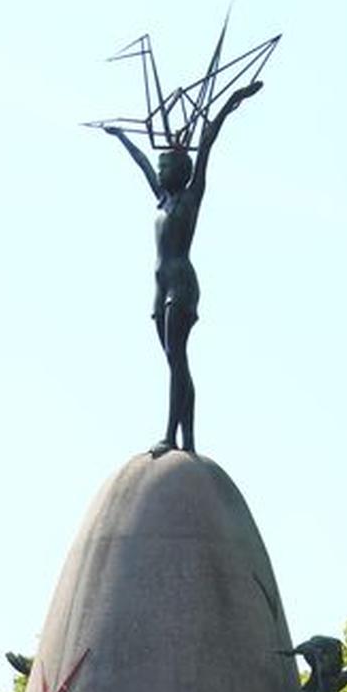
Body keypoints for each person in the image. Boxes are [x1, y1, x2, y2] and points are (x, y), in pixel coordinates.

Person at [102, 78, 262, 455]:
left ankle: (173, 436)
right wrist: (122, 137)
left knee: (177, 359)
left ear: (181, 169)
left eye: (165, 165)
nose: (159, 170)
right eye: (159, 166)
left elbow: (207, 141)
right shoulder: (162, 200)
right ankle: (187, 439)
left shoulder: (191, 197)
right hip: (159, 288)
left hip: (182, 286)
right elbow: (141, 163)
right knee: (175, 362)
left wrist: (233, 102)